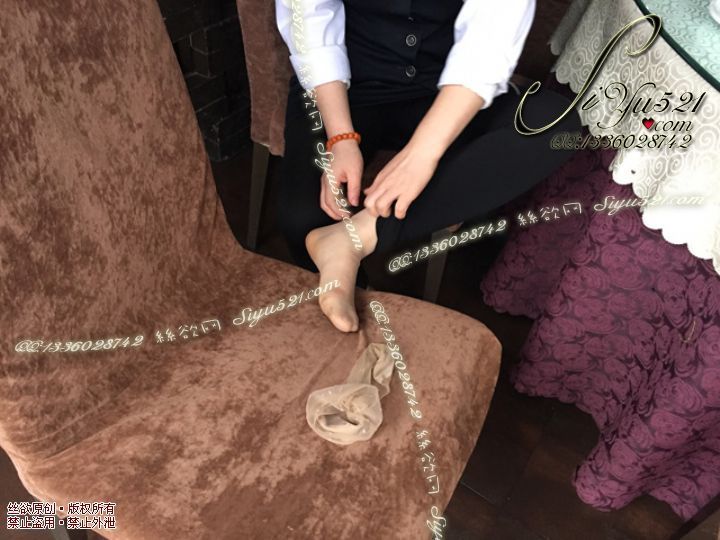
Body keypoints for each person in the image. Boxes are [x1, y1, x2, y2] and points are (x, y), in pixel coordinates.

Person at [275, 0, 580, 332]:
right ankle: (358, 302)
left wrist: (422, 154)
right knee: (302, 217)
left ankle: (357, 237)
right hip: (345, 84)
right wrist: (341, 137)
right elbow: (308, 14)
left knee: (552, 126)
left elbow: (490, 39)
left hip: (447, 90)